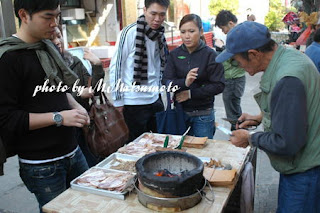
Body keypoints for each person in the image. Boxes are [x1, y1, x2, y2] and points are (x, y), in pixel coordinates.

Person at [216, 21, 320, 212]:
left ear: (254, 54)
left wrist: (250, 138)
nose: (237, 65)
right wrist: (259, 117)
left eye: (237, 61)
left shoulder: (287, 78)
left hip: (305, 172)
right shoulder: (287, 56)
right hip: (303, 167)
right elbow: (293, 109)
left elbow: (287, 142)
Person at [0, 0, 90, 211]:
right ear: (24, 15)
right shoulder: (9, 59)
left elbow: (58, 88)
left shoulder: (47, 47)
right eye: (48, 17)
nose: (55, 24)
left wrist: (75, 105)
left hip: (73, 151)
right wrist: (59, 117)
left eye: (57, 16)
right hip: (42, 165)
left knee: (87, 206)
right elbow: (7, 119)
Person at [109, 0, 169, 142]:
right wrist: (118, 100)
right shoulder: (129, 32)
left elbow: (159, 65)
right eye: (153, 13)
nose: (157, 19)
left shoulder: (159, 34)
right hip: (133, 102)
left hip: (155, 99)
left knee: (157, 143)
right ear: (144, 10)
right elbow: (117, 67)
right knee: (136, 147)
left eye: (162, 15)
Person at [162, 14, 225, 139]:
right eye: (183, 32)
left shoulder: (210, 55)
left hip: (203, 114)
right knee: (181, 153)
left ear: (201, 31)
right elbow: (166, 81)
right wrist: (184, 83)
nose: (187, 36)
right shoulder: (174, 55)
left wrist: (191, 93)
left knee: (202, 154)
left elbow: (219, 85)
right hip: (180, 113)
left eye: (191, 31)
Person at [51, 27, 105, 167]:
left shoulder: (73, 61)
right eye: (52, 38)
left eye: (59, 36)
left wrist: (97, 65)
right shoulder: (45, 67)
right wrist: (77, 94)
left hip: (85, 124)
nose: (57, 41)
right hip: (61, 129)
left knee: (92, 163)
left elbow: (95, 90)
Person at [214, 10, 246, 130]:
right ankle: (239, 131)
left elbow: (237, 60)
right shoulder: (238, 34)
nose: (224, 32)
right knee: (234, 108)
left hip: (233, 78)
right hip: (233, 77)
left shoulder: (238, 36)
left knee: (232, 109)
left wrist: (222, 47)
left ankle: (238, 132)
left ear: (231, 23)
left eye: (223, 28)